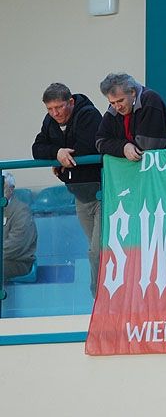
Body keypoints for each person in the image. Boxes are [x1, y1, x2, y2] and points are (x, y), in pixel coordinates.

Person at [32, 82, 102, 295]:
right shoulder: (50, 121)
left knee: (98, 250)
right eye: (50, 109)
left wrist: (62, 159)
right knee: (93, 250)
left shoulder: (88, 115)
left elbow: (87, 147)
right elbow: (37, 148)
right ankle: (100, 297)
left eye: (59, 107)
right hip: (80, 195)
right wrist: (58, 154)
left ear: (70, 102)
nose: (55, 113)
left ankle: (99, 297)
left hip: (103, 192)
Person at [95, 72, 166, 161]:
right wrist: (124, 147)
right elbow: (100, 142)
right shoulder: (112, 110)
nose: (117, 107)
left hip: (164, 165)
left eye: (121, 100)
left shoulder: (150, 100)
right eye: (112, 102)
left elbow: (148, 145)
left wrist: (119, 147)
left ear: (132, 92)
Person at [2, 173, 38, 280]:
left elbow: (16, 245)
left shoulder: (21, 211)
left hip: (18, 262)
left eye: (2, 188)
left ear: (11, 189)